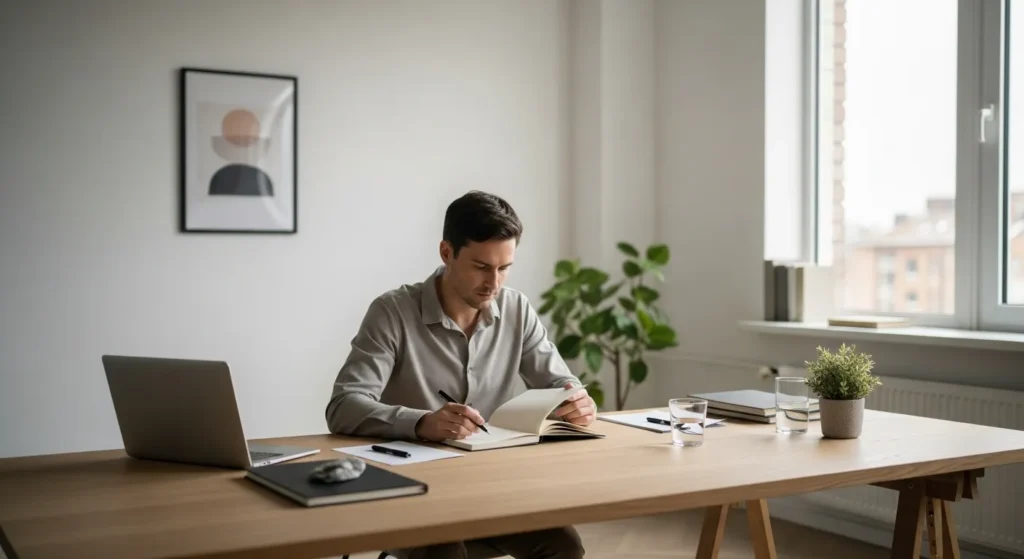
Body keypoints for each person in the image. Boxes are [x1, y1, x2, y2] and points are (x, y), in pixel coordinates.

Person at [325, 190, 593, 559]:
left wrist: (575, 400)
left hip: (495, 487)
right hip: (413, 493)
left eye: (504, 268)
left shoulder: (517, 309)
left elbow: (559, 382)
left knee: (564, 546)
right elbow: (344, 406)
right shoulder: (392, 312)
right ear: (446, 252)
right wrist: (422, 423)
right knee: (444, 551)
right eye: (481, 267)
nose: (494, 283)